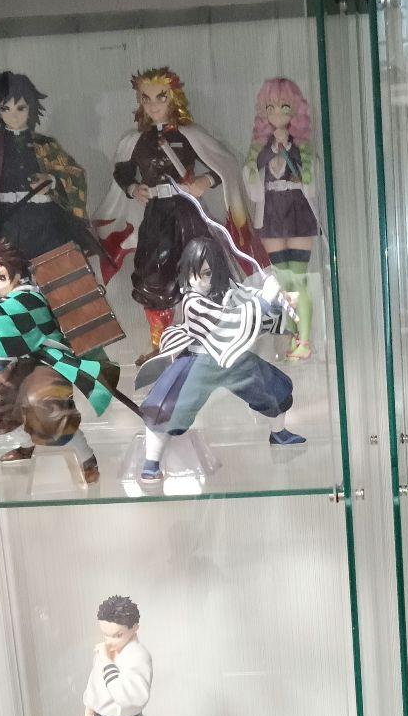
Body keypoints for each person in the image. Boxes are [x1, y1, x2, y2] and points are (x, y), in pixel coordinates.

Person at [95, 67, 255, 363]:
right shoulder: (135, 140)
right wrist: (133, 188)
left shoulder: (189, 134)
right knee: (153, 278)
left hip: (187, 212)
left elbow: (225, 164)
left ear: (173, 98)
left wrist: (205, 180)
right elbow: (123, 171)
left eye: (161, 97)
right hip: (156, 215)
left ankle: (204, 340)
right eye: (146, 99)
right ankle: (162, 344)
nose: (153, 105)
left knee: (199, 273)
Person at [136, 231, 305, 483]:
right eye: (194, 272)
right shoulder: (192, 302)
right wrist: (262, 303)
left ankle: (278, 433)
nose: (199, 280)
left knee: (274, 390)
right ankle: (151, 462)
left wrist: (276, 301)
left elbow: (250, 306)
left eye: (207, 273)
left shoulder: (228, 290)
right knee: (166, 409)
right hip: (200, 362)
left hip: (233, 359)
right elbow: (225, 322)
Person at [0, 239, 117, 484]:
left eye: (1, 278)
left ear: (17, 273)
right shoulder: (3, 299)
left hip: (50, 362)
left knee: (45, 408)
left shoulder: (28, 299)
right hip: (23, 363)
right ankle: (26, 444)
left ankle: (86, 456)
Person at [0, 71, 95, 264]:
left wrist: (52, 181)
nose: (14, 115)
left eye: (21, 108)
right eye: (6, 108)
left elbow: (74, 174)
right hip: (7, 224)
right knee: (0, 273)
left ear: (31, 108)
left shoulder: (46, 145)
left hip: (47, 224)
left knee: (59, 275)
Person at [243, 78, 319, 360]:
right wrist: (270, 150)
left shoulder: (302, 146)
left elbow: (312, 178)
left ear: (295, 109)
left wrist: (290, 148)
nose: (276, 113)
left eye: (284, 107)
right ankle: (294, 334)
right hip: (272, 214)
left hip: (298, 211)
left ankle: (305, 340)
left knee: (299, 280)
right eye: (270, 107)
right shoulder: (259, 147)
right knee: (283, 282)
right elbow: (250, 178)